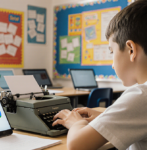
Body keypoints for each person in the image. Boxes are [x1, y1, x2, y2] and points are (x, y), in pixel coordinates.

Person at [53, 0, 147, 149]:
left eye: (112, 51)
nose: (112, 64)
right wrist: (102, 119)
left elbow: (76, 145)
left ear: (131, 50)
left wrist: (76, 122)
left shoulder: (140, 96)